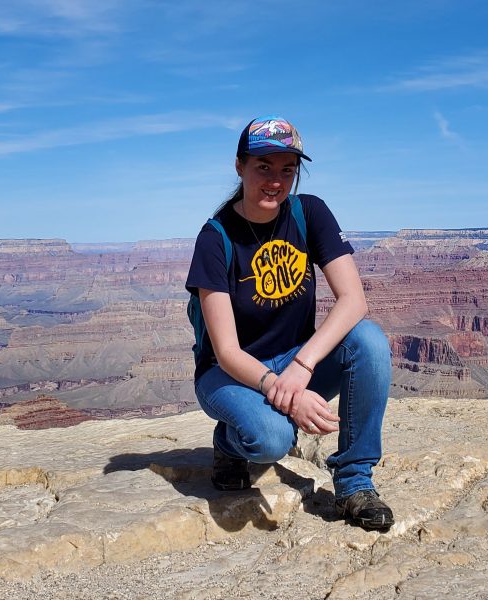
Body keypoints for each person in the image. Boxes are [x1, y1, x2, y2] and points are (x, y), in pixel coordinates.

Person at [185, 115, 394, 530]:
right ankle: (230, 443)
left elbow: (354, 300)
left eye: (287, 169)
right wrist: (283, 392)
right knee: (271, 440)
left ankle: (354, 483)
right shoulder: (216, 237)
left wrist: (302, 367)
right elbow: (225, 351)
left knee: (368, 341)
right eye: (263, 166)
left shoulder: (308, 212)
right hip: (229, 373)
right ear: (240, 166)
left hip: (295, 361)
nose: (275, 181)